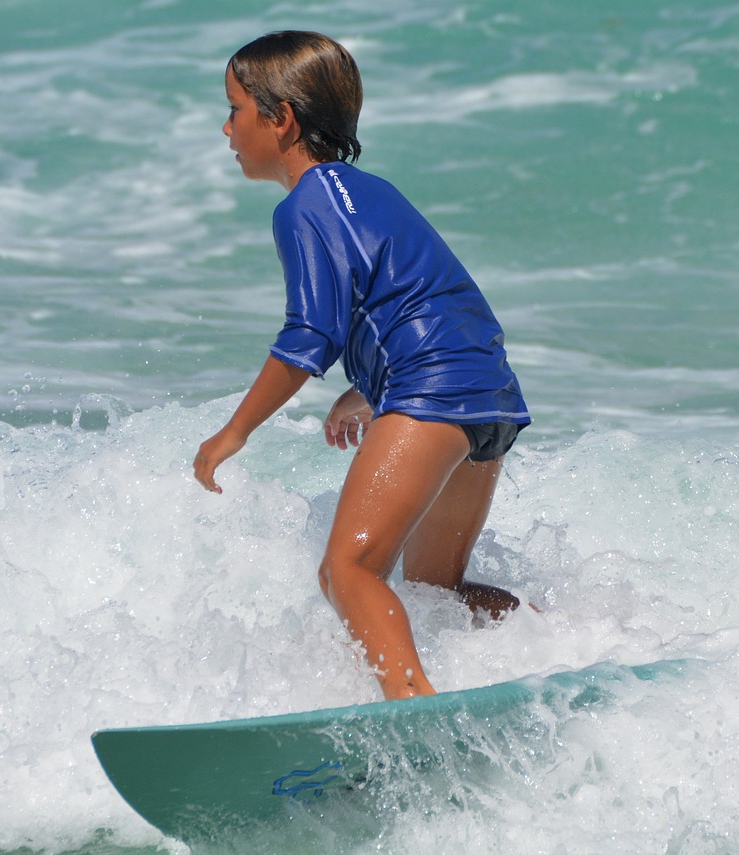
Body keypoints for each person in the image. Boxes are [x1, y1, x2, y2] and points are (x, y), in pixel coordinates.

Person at [193, 31, 531, 701]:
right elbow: (422, 300)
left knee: (349, 570)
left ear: (280, 117)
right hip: (487, 392)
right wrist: (366, 389)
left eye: (234, 109)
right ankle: (566, 647)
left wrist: (233, 432)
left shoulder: (305, 207)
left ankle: (413, 714)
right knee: (438, 592)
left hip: (431, 393)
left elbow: (307, 337)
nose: (225, 126)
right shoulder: (371, 193)